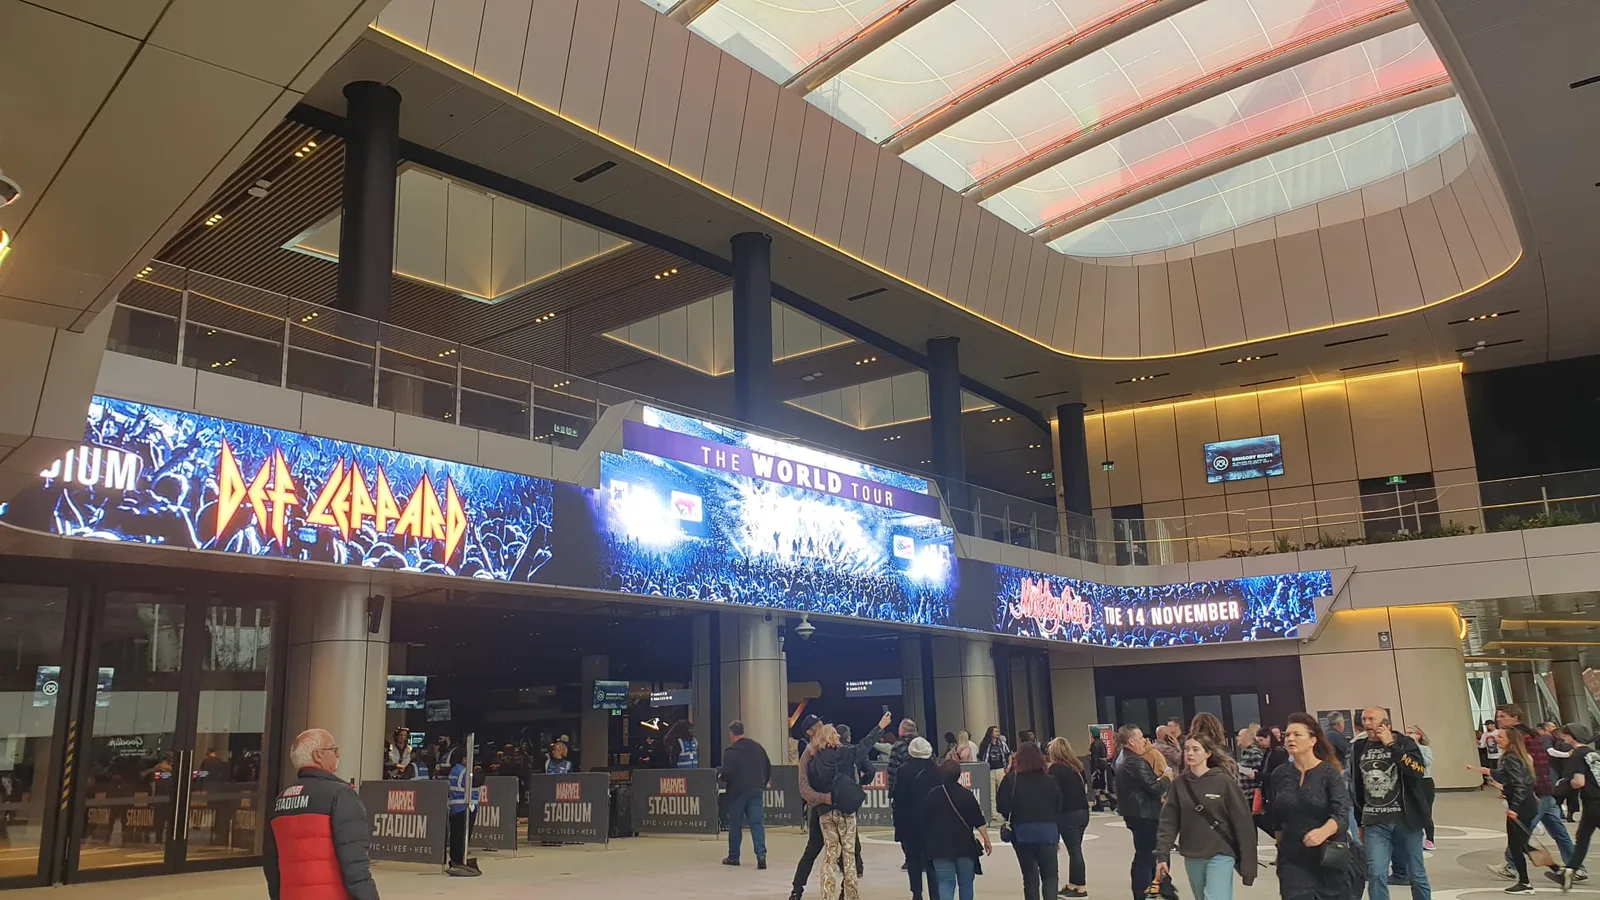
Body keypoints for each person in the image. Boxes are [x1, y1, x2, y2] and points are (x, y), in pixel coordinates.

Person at [263, 729, 379, 900]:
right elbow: (355, 864)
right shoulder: (340, 795)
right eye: (333, 750)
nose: (337, 755)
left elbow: (272, 866)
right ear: (318, 755)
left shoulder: (279, 801)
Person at [1156, 734, 1257, 900]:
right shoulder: (1179, 784)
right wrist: (1162, 855)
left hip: (1221, 852)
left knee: (1215, 897)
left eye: (1196, 749)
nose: (1189, 753)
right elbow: (1168, 822)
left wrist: (1248, 866)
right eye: (1187, 749)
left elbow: (1243, 823)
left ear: (1207, 754)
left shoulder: (1224, 782)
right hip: (1192, 854)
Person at [1488, 704, 1577, 880]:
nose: (1499, 719)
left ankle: (1512, 866)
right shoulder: (1531, 734)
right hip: (1545, 788)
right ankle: (1576, 868)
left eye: (1503, 716)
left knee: (1521, 833)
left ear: (1516, 718)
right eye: (1498, 716)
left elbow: (1525, 766)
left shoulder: (1518, 737)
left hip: (1535, 792)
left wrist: (1523, 791)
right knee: (1558, 831)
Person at [807, 713, 890, 900]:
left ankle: (827, 893)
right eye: (836, 735)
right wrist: (880, 726)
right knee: (848, 853)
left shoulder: (815, 760)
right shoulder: (845, 754)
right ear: (831, 737)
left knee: (829, 854)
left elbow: (812, 784)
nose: (839, 737)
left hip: (825, 811)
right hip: (845, 810)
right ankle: (851, 894)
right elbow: (864, 746)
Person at [1271, 713, 1354, 900]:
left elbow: (1341, 813)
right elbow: (1277, 819)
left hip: (1328, 855)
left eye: (1297, 734)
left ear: (1312, 740)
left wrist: (1323, 832)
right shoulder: (1279, 774)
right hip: (1293, 857)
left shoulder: (1329, 773)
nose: (1290, 738)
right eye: (1287, 735)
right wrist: (1279, 849)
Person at [1352, 707, 1430, 900]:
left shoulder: (1405, 742)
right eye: (1364, 719)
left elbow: (1417, 771)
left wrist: (1392, 746)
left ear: (1386, 723)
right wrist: (1359, 819)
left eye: (1372, 719)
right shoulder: (1358, 747)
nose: (1367, 723)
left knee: (1416, 873)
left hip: (1406, 819)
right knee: (1376, 873)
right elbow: (1357, 784)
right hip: (1375, 821)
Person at [998, 742, 1064, 900]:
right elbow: (1059, 806)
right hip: (1047, 831)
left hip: (1022, 832)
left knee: (1029, 876)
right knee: (1050, 876)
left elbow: (1002, 806)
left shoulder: (1011, 780)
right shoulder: (1050, 781)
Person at [1485, 727, 1547, 894]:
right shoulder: (1517, 755)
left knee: (1516, 845)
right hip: (1526, 805)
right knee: (1520, 844)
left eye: (1500, 736)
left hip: (1521, 807)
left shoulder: (1511, 757)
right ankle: (1555, 870)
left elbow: (1519, 785)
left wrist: (1513, 808)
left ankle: (1525, 883)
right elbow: (1515, 780)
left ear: (1510, 739)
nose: (1496, 738)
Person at [925, 758, 993, 900]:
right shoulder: (966, 795)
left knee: (945, 883)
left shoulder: (933, 794)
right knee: (966, 883)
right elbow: (978, 819)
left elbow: (926, 820)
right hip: (964, 847)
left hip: (940, 848)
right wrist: (986, 839)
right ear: (959, 774)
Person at [1116, 726, 1168, 900]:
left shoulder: (1122, 758)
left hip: (1135, 813)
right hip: (1144, 815)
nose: (1144, 741)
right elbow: (1154, 788)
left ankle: (1152, 890)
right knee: (1145, 857)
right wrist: (1166, 777)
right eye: (1140, 738)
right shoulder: (1135, 761)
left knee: (1145, 855)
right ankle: (1143, 893)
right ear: (1131, 741)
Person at [1551, 723, 1600, 890]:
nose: (1563, 738)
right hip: (1594, 802)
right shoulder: (1592, 753)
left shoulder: (1577, 755)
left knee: (1583, 838)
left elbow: (1579, 782)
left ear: (1571, 736)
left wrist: (1563, 787)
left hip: (1594, 802)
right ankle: (1570, 871)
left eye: (1564, 735)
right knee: (1582, 837)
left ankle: (1570, 871)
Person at [893, 737, 942, 900]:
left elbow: (898, 796)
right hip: (933, 822)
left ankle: (917, 893)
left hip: (910, 822)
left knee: (913, 860)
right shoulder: (937, 769)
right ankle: (935, 895)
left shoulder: (903, 770)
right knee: (932, 862)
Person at [720, 720, 772, 869]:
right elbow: (767, 766)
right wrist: (762, 783)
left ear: (731, 734)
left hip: (737, 793)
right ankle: (761, 856)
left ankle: (734, 856)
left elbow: (727, 773)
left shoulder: (731, 752)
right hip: (756, 790)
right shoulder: (757, 748)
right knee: (757, 824)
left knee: (735, 825)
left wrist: (722, 778)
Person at [792, 714, 830, 900]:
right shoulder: (807, 755)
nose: (822, 726)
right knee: (812, 849)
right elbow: (804, 789)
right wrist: (825, 798)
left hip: (836, 808)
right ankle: (797, 889)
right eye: (817, 725)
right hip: (819, 810)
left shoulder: (833, 748)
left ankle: (846, 890)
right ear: (809, 731)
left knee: (844, 852)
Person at [1049, 737, 1091, 899]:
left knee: (1074, 850)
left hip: (1068, 813)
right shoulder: (1078, 767)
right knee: (1075, 849)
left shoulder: (1055, 769)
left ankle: (1081, 887)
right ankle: (1073, 884)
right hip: (1083, 811)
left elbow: (1053, 793)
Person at [445, 746, 480, 877]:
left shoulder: (454, 770)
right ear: (464, 759)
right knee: (463, 837)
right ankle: (460, 861)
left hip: (454, 807)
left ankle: (454, 860)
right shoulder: (466, 772)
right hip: (466, 807)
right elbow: (474, 786)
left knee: (455, 836)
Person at [1404, 726, 1436, 851]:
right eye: (1406, 732)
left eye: (1411, 733)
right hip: (1412, 782)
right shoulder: (1405, 749)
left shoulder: (1425, 749)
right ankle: (1414, 839)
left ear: (1419, 736)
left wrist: (1416, 751)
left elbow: (1427, 762)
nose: (1408, 735)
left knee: (1426, 811)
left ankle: (1430, 839)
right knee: (1412, 810)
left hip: (1425, 781)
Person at [979, 725, 1013, 822]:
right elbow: (981, 756)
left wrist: (1009, 765)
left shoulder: (1002, 744)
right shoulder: (985, 744)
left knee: (1003, 790)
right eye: (995, 731)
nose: (997, 733)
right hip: (989, 770)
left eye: (998, 731)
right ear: (991, 733)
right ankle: (994, 813)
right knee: (992, 793)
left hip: (1000, 769)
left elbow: (1008, 754)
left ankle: (1003, 812)